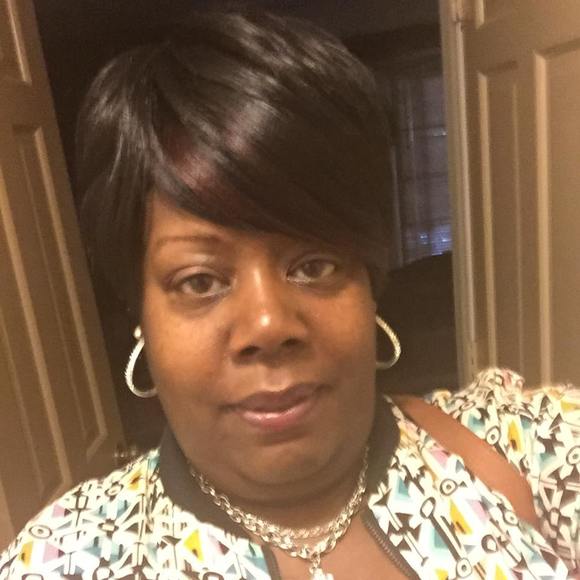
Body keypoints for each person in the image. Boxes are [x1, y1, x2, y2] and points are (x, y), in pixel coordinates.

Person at [1, 10, 578, 580]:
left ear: (369, 284)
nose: (269, 324)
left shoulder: (517, 445)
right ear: (141, 317)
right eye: (200, 281)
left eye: (313, 265)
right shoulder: (67, 559)